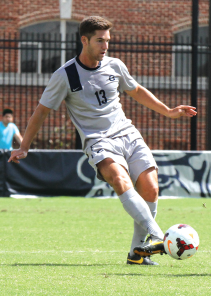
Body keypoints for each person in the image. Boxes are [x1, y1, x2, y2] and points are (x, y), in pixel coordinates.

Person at [8, 16, 197, 265]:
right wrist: (24, 146)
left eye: (107, 41)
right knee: (119, 179)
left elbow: (136, 90)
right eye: (100, 41)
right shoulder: (64, 75)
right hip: (98, 141)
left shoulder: (115, 65)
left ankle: (137, 254)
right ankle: (159, 235)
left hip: (127, 133)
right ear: (84, 40)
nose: (105, 46)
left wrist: (168, 111)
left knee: (150, 187)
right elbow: (41, 111)